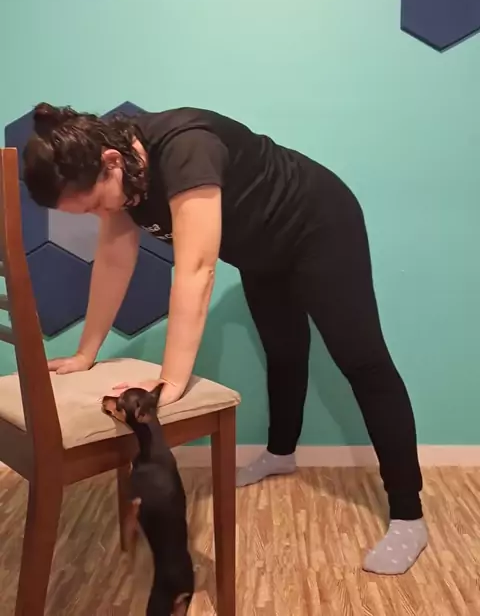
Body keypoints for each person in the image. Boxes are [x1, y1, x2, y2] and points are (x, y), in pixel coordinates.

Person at [23, 102, 427, 575]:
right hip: (259, 248)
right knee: (283, 350)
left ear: (111, 161)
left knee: (363, 361)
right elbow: (113, 261)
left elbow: (197, 269)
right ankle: (281, 454)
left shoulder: (185, 147)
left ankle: (409, 515)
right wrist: (85, 353)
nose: (99, 214)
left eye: (95, 204)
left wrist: (172, 381)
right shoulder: (119, 173)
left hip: (317, 223)